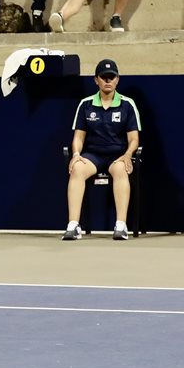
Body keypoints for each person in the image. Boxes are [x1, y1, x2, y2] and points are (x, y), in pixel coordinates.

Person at [63, 59, 141, 241]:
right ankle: (73, 225)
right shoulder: (86, 104)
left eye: (111, 77)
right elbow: (79, 137)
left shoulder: (127, 104)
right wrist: (76, 154)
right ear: (96, 80)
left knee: (121, 169)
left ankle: (121, 225)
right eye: (103, 77)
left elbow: (134, 139)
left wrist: (127, 155)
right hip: (93, 156)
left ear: (117, 80)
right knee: (77, 169)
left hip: (117, 156)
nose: (108, 80)